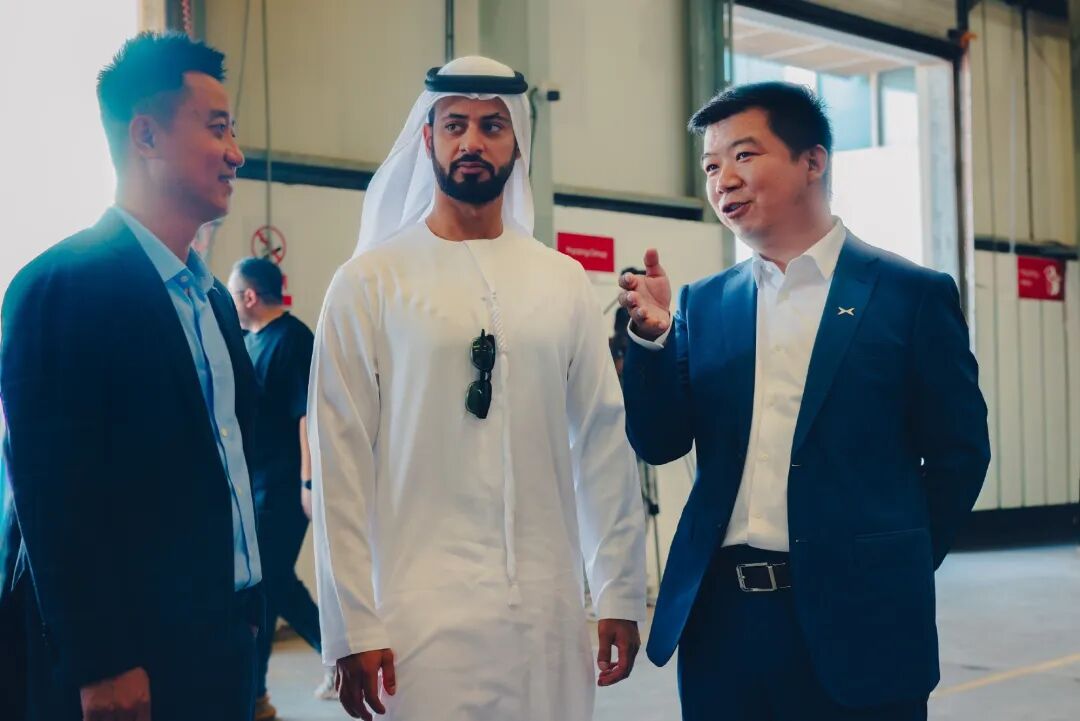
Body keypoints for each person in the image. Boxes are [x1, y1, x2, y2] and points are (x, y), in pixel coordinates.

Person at [618, 82, 990, 720]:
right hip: (723, 623)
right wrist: (651, 344)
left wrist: (891, 560)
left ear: (812, 161)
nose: (723, 180)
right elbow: (660, 442)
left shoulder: (909, 294)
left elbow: (961, 454)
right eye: (710, 166)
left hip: (861, 617)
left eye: (744, 155)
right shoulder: (707, 303)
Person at [309, 56, 647, 721]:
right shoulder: (367, 283)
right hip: (416, 616)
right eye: (454, 125)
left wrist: (618, 588)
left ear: (517, 142)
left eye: (492, 126)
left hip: (546, 613)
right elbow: (339, 461)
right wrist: (352, 624)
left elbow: (602, 441)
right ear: (427, 138)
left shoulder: (561, 280)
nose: (472, 141)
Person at [0, 32, 263, 721]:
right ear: (145, 135)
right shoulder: (61, 286)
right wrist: (102, 660)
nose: (236, 152)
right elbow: (54, 492)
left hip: (224, 635)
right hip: (134, 659)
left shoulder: (211, 301)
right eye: (217, 128)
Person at [228, 257, 336, 716]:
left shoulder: (293, 339)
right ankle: (328, 661)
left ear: (250, 296)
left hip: (286, 487)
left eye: (234, 295)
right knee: (269, 583)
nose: (231, 303)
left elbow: (307, 416)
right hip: (253, 488)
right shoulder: (249, 340)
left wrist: (308, 482)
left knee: (270, 581)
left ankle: (264, 691)